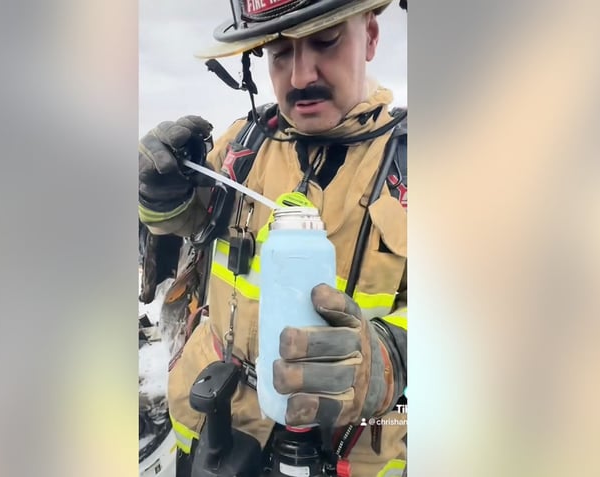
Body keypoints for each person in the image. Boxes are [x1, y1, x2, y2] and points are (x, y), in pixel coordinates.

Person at [138, 1, 408, 475]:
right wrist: (161, 197)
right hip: (212, 436)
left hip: (348, 450)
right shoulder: (242, 145)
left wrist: (383, 362)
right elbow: (189, 226)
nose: (301, 76)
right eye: (280, 52)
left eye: (326, 41)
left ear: (369, 36)